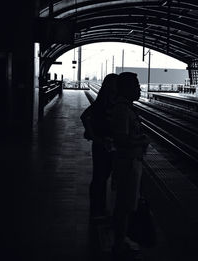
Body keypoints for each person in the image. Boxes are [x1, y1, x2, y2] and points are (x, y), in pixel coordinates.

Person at [109, 72, 149, 259]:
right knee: (125, 205)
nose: (139, 89)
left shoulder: (125, 108)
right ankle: (119, 243)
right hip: (128, 163)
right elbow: (121, 138)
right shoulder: (123, 110)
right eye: (136, 85)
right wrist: (140, 140)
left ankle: (121, 239)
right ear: (126, 88)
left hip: (129, 161)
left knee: (126, 204)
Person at [80, 73, 118, 219]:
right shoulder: (103, 103)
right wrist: (94, 136)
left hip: (108, 145)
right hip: (103, 145)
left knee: (102, 177)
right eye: (115, 83)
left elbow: (85, 117)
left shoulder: (107, 101)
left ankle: (100, 209)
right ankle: (97, 209)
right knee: (100, 178)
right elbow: (84, 116)